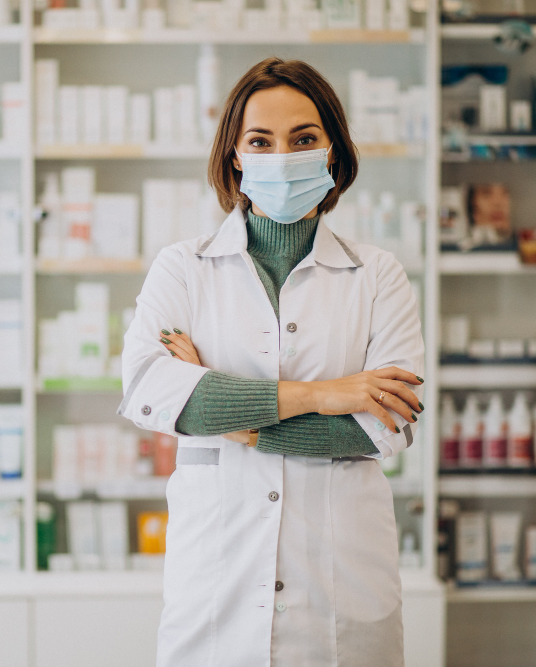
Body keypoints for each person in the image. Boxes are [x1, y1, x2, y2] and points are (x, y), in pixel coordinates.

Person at [117, 57, 425, 667]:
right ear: (235, 154)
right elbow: (151, 392)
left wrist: (235, 420)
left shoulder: (378, 276)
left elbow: (386, 426)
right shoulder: (185, 268)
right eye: (261, 141)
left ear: (332, 152)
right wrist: (327, 394)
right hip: (217, 596)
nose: (282, 156)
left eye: (303, 139)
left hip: (343, 596)